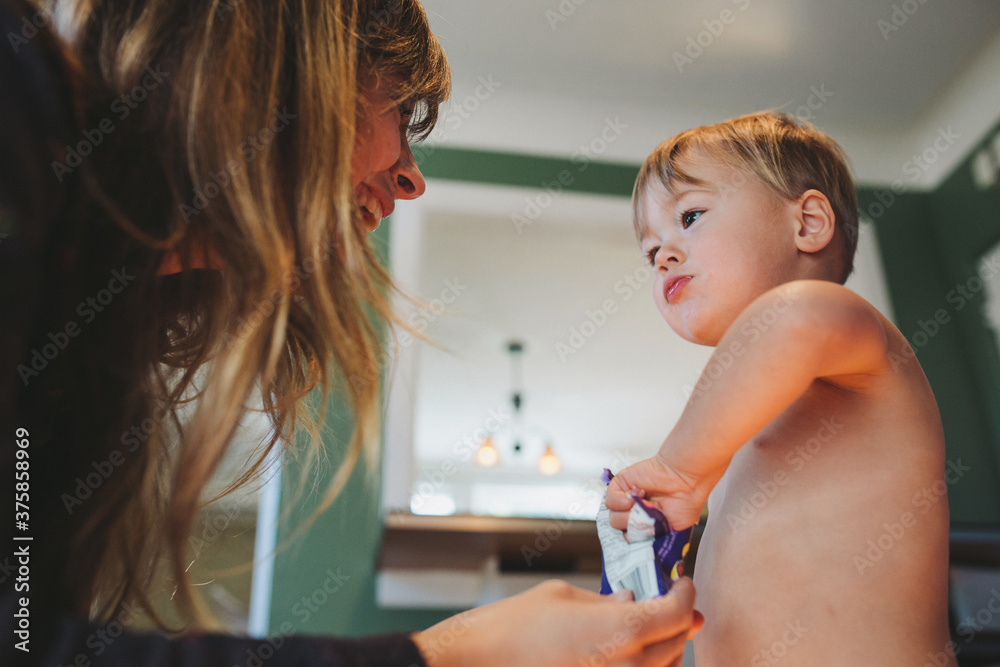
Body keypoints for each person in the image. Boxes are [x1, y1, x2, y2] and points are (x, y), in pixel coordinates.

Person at [1, 0, 701, 665]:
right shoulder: (18, 105)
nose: (411, 180)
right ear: (274, 61)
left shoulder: (83, 345)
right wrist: (449, 655)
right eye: (400, 108)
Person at [605, 111, 955, 666]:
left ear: (809, 223)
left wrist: (678, 469)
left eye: (690, 216)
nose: (664, 255)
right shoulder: (738, 432)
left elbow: (791, 325)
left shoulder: (847, 326)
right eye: (652, 253)